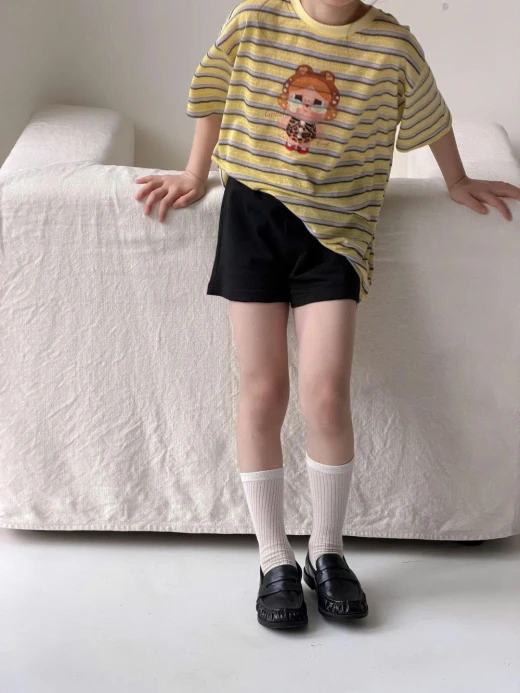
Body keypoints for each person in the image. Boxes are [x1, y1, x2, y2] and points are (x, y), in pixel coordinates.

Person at [135, 0, 520, 630]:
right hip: (252, 219)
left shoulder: (392, 47)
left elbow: (431, 117)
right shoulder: (255, 20)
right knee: (263, 389)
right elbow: (212, 89)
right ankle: (273, 558)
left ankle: (328, 551)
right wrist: (195, 172)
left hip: (336, 235)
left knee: (325, 391)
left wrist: (457, 181)